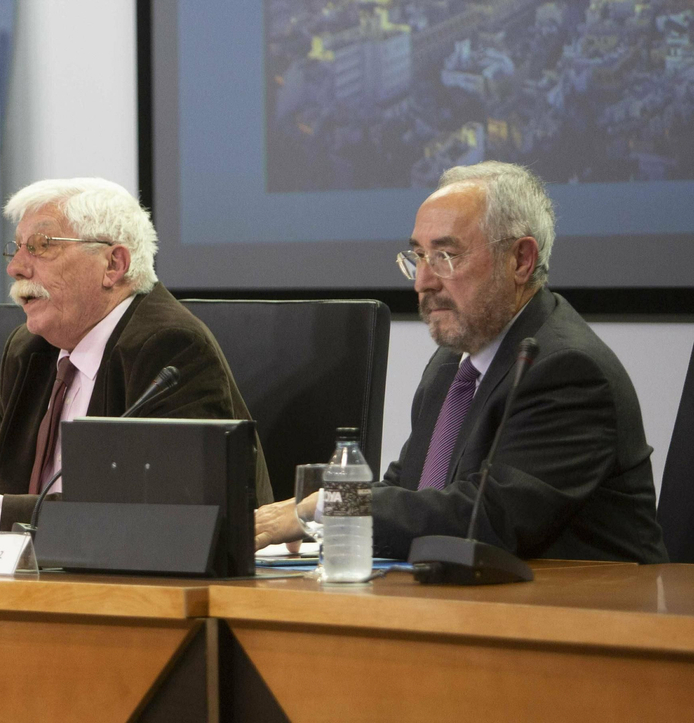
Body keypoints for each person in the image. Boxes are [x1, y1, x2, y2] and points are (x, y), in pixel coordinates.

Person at [254, 161, 667, 563]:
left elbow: (487, 518)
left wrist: (331, 505)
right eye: (418, 256)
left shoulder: (568, 371)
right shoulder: (452, 364)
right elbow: (411, 489)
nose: (422, 281)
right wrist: (320, 517)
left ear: (520, 260)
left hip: (588, 617)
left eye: (446, 256)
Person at [0, 177, 273, 537]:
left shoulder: (168, 347)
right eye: (17, 248)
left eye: (42, 246)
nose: (16, 268)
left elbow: (163, 512)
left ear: (113, 265)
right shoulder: (30, 350)